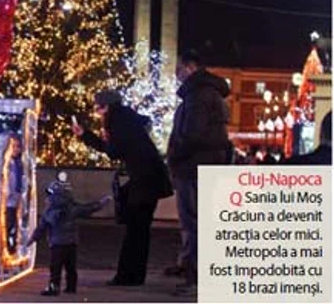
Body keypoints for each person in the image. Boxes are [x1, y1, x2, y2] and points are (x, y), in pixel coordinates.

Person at [72, 90, 173, 287]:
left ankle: (128, 276)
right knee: (139, 229)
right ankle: (133, 275)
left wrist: (89, 136)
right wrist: (86, 136)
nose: (97, 111)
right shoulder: (126, 118)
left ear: (106, 106)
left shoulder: (117, 121)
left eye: (98, 107)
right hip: (149, 178)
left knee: (135, 229)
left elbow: (113, 152)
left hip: (144, 180)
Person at [166, 49, 230, 296]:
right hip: (203, 166)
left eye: (179, 68)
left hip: (193, 167)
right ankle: (195, 273)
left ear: (190, 67)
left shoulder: (198, 95)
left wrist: (175, 156)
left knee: (194, 223)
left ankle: (197, 279)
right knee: (199, 222)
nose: (177, 74)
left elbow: (192, 134)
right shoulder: (206, 93)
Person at [27, 173, 111, 296]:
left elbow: (41, 228)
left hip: (57, 244)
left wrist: (32, 239)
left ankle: (54, 287)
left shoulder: (49, 213)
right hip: (71, 243)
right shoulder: (72, 208)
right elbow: (88, 209)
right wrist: (101, 203)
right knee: (70, 267)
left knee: (55, 268)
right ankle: (71, 286)